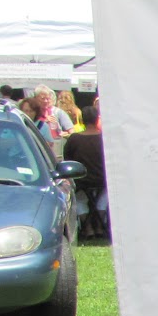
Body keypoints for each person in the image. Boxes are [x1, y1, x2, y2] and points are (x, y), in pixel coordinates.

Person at [63, 101, 107, 237]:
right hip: (102, 180)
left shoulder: (74, 139)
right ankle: (100, 225)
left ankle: (87, 227)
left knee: (80, 200)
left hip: (81, 180)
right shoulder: (104, 139)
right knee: (103, 199)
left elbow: (67, 159)